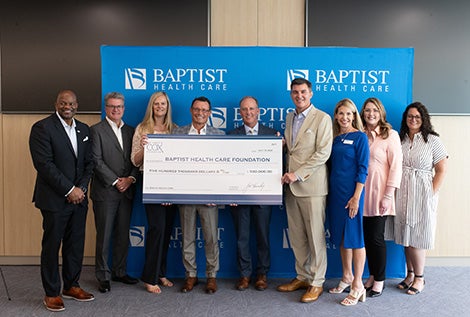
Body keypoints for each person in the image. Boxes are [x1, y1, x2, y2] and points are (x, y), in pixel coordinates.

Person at [29, 90, 95, 312]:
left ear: (77, 105)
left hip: (79, 199)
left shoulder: (84, 129)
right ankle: (51, 293)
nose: (68, 106)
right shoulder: (42, 128)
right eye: (63, 103)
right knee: (52, 246)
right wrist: (69, 190)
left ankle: (71, 285)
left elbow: (89, 164)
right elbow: (44, 165)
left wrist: (81, 189)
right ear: (56, 104)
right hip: (55, 200)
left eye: (72, 103)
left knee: (75, 245)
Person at [277, 78, 333, 303]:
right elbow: (293, 150)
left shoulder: (323, 118)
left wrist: (297, 174)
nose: (299, 96)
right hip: (291, 188)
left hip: (311, 187)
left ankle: (317, 282)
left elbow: (323, 153)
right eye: (295, 92)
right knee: (298, 236)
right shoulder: (290, 117)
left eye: (303, 92)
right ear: (291, 95)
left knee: (315, 237)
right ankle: (302, 275)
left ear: (311, 93)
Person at [394, 102, 448, 295]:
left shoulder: (432, 140)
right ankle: (409, 274)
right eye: (410, 116)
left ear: (423, 119)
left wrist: (430, 194)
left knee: (418, 236)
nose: (413, 120)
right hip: (402, 192)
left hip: (422, 193)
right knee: (405, 235)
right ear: (405, 119)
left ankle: (420, 278)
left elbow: (441, 169)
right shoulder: (400, 139)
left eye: (417, 117)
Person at [173, 96, 225, 294]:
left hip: (209, 197)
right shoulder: (178, 132)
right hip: (185, 194)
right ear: (191, 110)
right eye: (197, 109)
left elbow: (223, 167)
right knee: (187, 237)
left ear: (210, 113)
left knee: (211, 238)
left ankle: (211, 276)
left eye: (204, 110)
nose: (200, 113)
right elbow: (171, 163)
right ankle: (191, 275)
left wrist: (219, 195)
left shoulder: (219, 134)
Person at [228, 96, 279, 291]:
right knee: (242, 237)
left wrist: (279, 147)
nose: (248, 112)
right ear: (240, 113)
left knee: (262, 236)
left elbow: (277, 165)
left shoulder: (272, 135)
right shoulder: (231, 135)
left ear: (258, 111)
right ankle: (244, 275)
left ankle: (262, 274)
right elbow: (227, 169)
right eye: (244, 109)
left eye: (252, 109)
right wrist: (229, 194)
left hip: (263, 195)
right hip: (239, 197)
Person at [90, 92, 139, 294]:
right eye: (111, 106)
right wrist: (115, 181)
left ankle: (119, 271)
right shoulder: (96, 131)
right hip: (105, 192)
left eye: (119, 106)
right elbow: (96, 160)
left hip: (127, 190)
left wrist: (130, 178)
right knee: (104, 236)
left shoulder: (131, 130)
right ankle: (103, 276)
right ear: (106, 107)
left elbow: (137, 159)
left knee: (121, 234)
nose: (115, 110)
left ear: (124, 108)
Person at [130, 91, 178, 294]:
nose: (160, 107)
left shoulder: (174, 130)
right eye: (157, 103)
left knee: (166, 230)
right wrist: (143, 148)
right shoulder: (142, 129)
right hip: (151, 183)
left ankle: (161, 273)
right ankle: (149, 277)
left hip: (173, 185)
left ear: (168, 107)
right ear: (152, 106)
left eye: (163, 104)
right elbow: (134, 160)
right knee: (156, 228)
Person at [327, 98, 369, 306]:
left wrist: (356, 197)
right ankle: (346, 277)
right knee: (343, 237)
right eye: (341, 113)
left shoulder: (360, 137)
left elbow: (363, 169)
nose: (345, 117)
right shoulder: (334, 138)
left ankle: (358, 285)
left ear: (354, 116)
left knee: (355, 238)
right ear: (336, 115)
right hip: (335, 195)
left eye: (349, 114)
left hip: (352, 195)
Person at [359, 97, 402, 297]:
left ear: (381, 112)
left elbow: (396, 168)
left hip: (379, 194)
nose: (371, 114)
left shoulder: (390, 135)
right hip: (361, 194)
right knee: (366, 238)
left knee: (376, 238)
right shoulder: (360, 134)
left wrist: (388, 196)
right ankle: (372, 274)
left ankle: (380, 280)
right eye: (367, 110)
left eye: (375, 110)